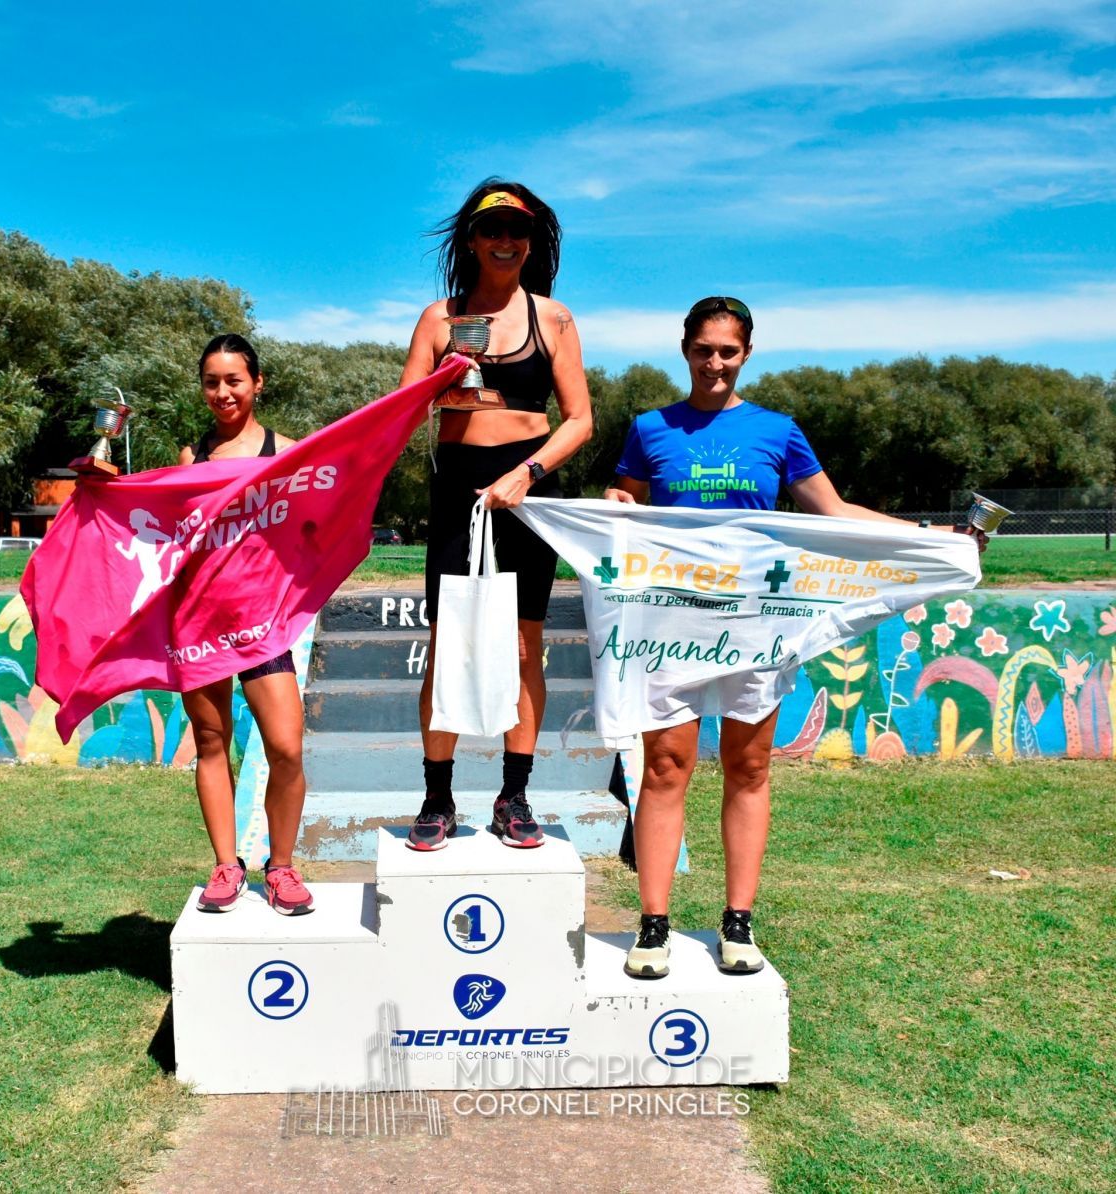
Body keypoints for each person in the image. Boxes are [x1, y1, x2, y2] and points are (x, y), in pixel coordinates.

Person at [605, 296, 984, 978]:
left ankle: (737, 924)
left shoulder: (777, 431)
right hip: (673, 623)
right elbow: (625, 502)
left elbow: (834, 513)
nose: (714, 362)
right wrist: (615, 503)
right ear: (685, 350)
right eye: (703, 349)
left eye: (728, 350)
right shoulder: (649, 428)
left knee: (749, 769)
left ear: (747, 353)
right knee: (664, 770)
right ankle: (653, 926)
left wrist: (935, 539)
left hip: (758, 625)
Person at [400, 180, 593, 851]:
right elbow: (401, 416)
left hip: (529, 491)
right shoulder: (438, 317)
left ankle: (514, 795)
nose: (505, 240)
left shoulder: (556, 319)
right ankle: (437, 795)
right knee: (447, 646)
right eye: (492, 230)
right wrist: (446, 379)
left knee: (521, 647)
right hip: (458, 487)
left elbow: (579, 420)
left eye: (518, 229)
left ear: (532, 240)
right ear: (473, 241)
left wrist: (529, 472)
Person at [177, 333, 313, 915]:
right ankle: (226, 867)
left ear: (257, 383)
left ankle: (280, 868)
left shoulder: (288, 450)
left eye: (234, 380)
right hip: (200, 619)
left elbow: (314, 523)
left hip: (261, 624)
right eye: (212, 382)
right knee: (212, 743)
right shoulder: (191, 458)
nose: (223, 392)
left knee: (286, 747)